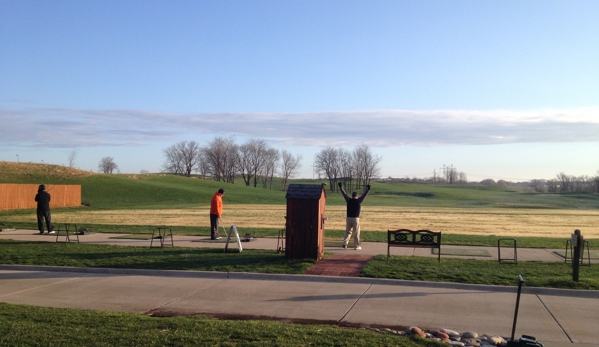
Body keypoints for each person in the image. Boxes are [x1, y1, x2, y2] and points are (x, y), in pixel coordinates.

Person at [338, 182, 370, 250]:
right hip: (355, 219)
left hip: (348, 218)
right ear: (357, 196)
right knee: (356, 233)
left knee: (348, 231)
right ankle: (356, 246)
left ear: (352, 196)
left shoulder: (348, 200)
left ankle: (345, 243)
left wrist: (341, 187)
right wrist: (368, 189)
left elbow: (344, 194)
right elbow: (364, 195)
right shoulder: (359, 201)